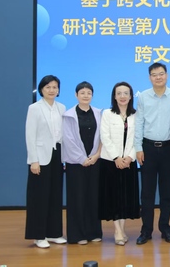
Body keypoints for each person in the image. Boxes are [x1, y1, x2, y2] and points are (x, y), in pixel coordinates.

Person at [134, 63, 170, 245]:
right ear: (150, 77)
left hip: (169, 148)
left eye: (161, 74)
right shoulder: (143, 97)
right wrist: (138, 147)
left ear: (166, 75)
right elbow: (139, 122)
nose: (158, 77)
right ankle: (146, 231)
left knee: (166, 192)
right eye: (154, 74)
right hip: (148, 148)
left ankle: (165, 229)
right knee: (147, 192)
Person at [25, 75, 67, 248]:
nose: (51, 90)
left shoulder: (62, 107)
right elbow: (30, 135)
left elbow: (64, 135)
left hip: (57, 155)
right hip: (40, 157)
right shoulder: (34, 108)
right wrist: (33, 160)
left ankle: (54, 233)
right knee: (39, 197)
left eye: (55, 87)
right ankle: (38, 235)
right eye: (48, 87)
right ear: (41, 89)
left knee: (55, 196)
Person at [99, 82, 140, 245]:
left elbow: (138, 138)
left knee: (125, 197)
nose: (122, 96)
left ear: (131, 96)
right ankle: (117, 231)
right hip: (111, 162)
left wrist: (129, 157)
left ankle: (122, 229)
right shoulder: (107, 114)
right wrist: (116, 157)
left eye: (126, 93)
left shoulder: (136, 115)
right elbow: (105, 136)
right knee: (114, 197)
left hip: (129, 162)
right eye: (119, 93)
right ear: (114, 96)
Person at [62, 81, 103, 245]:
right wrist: (82, 159)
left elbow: (102, 137)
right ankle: (77, 235)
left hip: (95, 161)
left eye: (89, 93)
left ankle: (93, 232)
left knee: (94, 197)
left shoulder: (99, 113)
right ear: (76, 95)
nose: (86, 96)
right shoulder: (68, 115)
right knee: (77, 198)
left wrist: (96, 155)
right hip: (75, 163)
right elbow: (68, 139)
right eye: (82, 93)